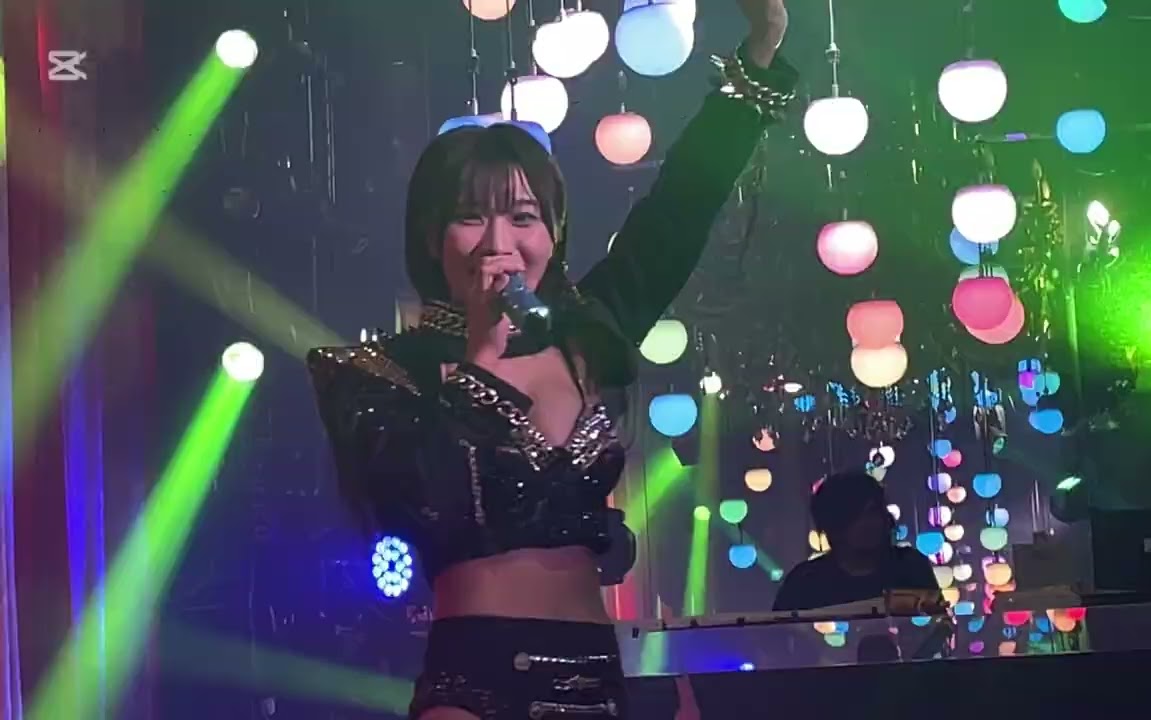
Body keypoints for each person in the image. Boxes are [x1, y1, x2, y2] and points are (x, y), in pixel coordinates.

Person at [307, 2, 795, 718]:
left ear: (553, 232)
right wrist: (481, 345)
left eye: (523, 217)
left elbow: (681, 207)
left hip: (595, 676)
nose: (498, 242)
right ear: (433, 237)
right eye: (471, 217)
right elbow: (423, 505)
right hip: (475, 680)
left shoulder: (587, 333)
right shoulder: (385, 374)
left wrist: (761, 50)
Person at [773, 470, 940, 612]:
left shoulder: (910, 566)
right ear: (832, 525)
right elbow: (778, 633)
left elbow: (938, 627)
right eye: (855, 516)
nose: (867, 523)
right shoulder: (805, 582)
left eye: (873, 512)